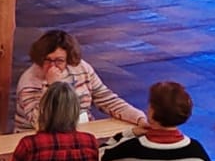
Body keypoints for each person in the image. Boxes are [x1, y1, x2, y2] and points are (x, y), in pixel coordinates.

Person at [12, 30, 146, 131]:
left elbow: (107, 99)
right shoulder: (29, 81)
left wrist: (138, 117)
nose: (52, 66)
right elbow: (40, 124)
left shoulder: (81, 68)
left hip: (80, 131)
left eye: (59, 60)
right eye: (47, 60)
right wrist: (52, 86)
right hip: (38, 139)